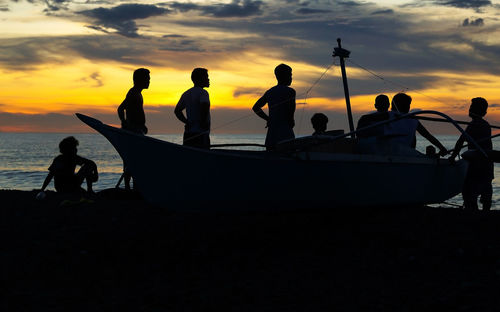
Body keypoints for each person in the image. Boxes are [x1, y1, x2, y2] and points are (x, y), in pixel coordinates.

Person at [450, 97, 493, 211]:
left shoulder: (475, 125)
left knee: (469, 192)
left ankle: (474, 213)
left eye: (472, 107)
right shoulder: (485, 125)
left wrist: (453, 157)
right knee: (486, 190)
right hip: (487, 163)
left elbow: (460, 141)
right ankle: (484, 213)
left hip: (477, 164)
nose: (469, 109)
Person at [117, 68, 150, 190]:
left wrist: (142, 125)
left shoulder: (137, 93)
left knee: (136, 160)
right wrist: (125, 123)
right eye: (147, 79)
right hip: (133, 132)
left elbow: (135, 112)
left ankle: (135, 186)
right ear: (140, 80)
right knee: (132, 160)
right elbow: (121, 109)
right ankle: (128, 187)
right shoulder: (133, 93)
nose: (149, 81)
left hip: (137, 130)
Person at [252, 63, 296, 150]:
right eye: (290, 75)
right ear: (284, 76)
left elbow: (256, 107)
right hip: (285, 131)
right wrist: (291, 121)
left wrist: (268, 119)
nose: (291, 78)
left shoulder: (270, 92)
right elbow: (291, 111)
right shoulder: (290, 91)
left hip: (272, 132)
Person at [174, 68, 211, 149]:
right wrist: (203, 123)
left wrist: (186, 122)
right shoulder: (203, 93)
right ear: (199, 79)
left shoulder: (186, 93)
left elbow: (177, 111)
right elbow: (204, 106)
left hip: (188, 133)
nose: (208, 79)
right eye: (206, 77)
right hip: (201, 133)